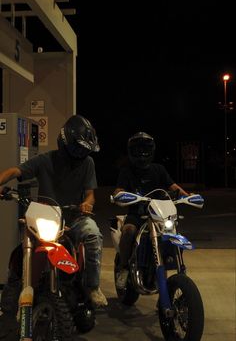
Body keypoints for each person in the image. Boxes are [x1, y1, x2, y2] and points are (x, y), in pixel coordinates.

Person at [0, 114, 108, 320]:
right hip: (46, 217)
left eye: (85, 149)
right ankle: (16, 291)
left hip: (74, 218)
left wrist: (87, 203)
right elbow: (15, 171)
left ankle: (92, 287)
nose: (81, 153)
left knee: (93, 233)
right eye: (78, 148)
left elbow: (90, 194)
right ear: (64, 140)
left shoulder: (88, 164)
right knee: (22, 249)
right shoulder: (45, 160)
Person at [114, 131, 189, 289]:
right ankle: (124, 268)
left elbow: (174, 187)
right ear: (131, 151)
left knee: (174, 233)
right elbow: (119, 189)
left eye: (145, 149)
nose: (142, 153)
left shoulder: (158, 169)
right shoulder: (126, 171)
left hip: (159, 214)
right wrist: (118, 194)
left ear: (151, 150)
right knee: (128, 231)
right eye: (138, 149)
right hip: (137, 214)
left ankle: (178, 272)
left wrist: (187, 196)